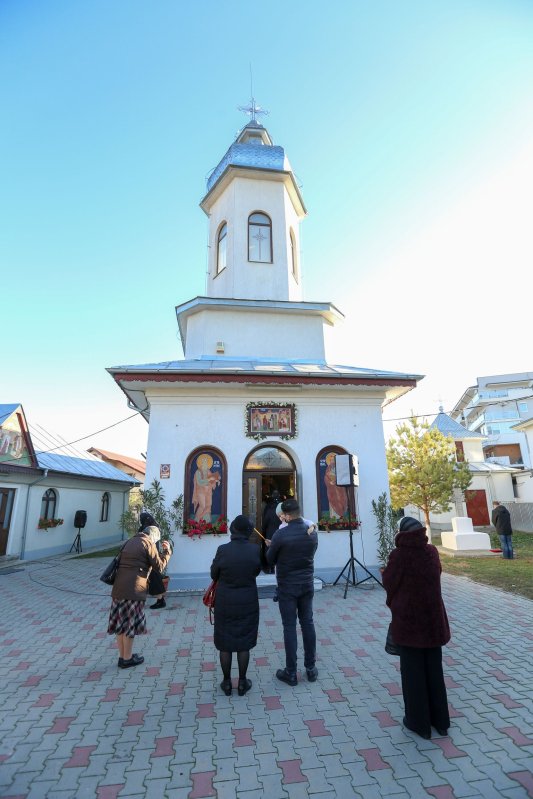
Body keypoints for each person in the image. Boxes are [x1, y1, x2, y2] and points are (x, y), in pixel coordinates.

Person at [382, 516, 451, 740]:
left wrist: (395, 602)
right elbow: (437, 575)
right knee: (434, 671)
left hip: (409, 622)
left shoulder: (399, 556)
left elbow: (389, 584)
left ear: (402, 533)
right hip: (432, 621)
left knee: (412, 674)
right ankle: (440, 721)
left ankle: (418, 723)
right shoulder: (431, 552)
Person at [266, 498, 318, 686]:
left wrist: (272, 547)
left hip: (287, 587)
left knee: (289, 627)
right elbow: (311, 553)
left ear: (287, 515)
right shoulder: (311, 533)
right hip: (306, 584)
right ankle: (311, 668)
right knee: (308, 623)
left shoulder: (281, 535)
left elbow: (270, 560)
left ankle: (291, 672)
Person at [210, 514, 263, 696]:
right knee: (244, 643)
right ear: (248, 531)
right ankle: (242, 682)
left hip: (225, 601)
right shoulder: (255, 549)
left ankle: (226, 682)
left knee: (225, 644)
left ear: (233, 529)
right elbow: (257, 570)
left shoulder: (223, 549)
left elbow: (213, 574)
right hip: (247, 599)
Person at [107, 521, 171, 668]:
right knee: (129, 624)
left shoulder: (130, 541)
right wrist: (167, 552)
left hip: (119, 588)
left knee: (120, 624)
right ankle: (128, 659)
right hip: (134, 589)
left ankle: (122, 656)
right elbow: (159, 566)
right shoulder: (147, 543)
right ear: (153, 536)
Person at [139, 512, 168, 610]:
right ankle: (160, 600)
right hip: (152, 556)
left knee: (154, 580)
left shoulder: (147, 529)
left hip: (150, 557)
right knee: (154, 579)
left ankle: (160, 601)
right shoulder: (154, 527)